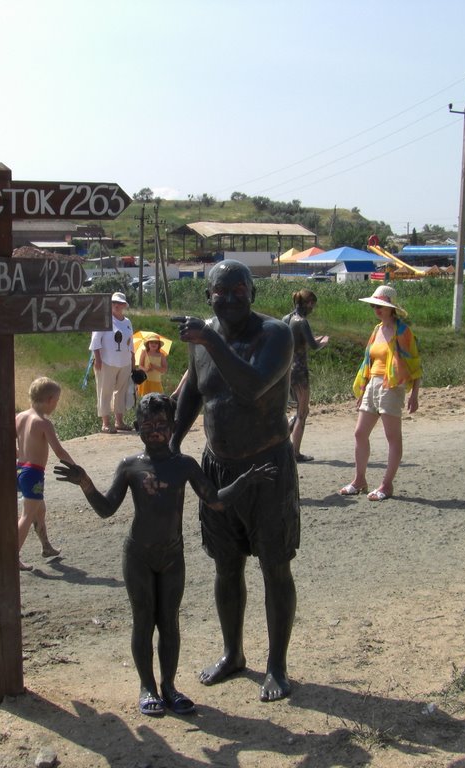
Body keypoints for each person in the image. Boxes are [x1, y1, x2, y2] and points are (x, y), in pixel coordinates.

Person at [54, 393, 276, 717]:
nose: (155, 430)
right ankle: (147, 687)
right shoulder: (130, 467)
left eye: (161, 424)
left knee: (169, 622)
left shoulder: (183, 465)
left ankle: (169, 686)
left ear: (173, 427)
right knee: (144, 621)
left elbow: (214, 500)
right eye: (148, 424)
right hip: (138, 556)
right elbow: (106, 509)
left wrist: (244, 481)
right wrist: (86, 482)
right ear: (136, 428)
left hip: (172, 556)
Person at [169, 259, 299, 702]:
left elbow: (252, 387)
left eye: (237, 290)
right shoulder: (202, 338)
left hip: (266, 468)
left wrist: (208, 338)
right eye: (218, 293)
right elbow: (193, 394)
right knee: (226, 566)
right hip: (217, 468)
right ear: (208, 297)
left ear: (252, 293)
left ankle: (277, 666)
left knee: (274, 565)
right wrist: (169, 447)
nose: (227, 299)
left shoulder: (275, 335)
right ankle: (233, 653)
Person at [338, 285, 422, 502]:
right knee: (359, 433)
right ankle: (359, 480)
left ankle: (386, 484)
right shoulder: (377, 330)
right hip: (373, 384)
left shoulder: (402, 331)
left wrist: (414, 394)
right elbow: (369, 360)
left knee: (392, 437)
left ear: (391, 308)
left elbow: (414, 363)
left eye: (380, 306)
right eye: (374, 305)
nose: (376, 309)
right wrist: (363, 387)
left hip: (392, 386)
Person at [15, 376, 76, 571]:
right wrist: (75, 468)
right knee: (27, 514)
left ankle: (46, 546)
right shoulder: (43, 423)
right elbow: (59, 451)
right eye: (56, 401)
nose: (56, 405)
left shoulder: (20, 417)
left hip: (20, 468)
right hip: (33, 472)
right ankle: (11, 555)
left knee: (39, 510)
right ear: (49, 400)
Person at [281, 289, 329, 462]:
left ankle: (282, 443)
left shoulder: (286, 319)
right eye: (312, 305)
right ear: (308, 303)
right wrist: (322, 342)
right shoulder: (302, 322)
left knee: (300, 410)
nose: (313, 309)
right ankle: (295, 453)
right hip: (300, 370)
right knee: (302, 412)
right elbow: (314, 346)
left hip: (287, 369)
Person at [89, 292, 135, 433]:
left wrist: (133, 362)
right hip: (106, 361)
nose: (116, 305)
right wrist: (98, 359)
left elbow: (131, 343)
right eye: (114, 302)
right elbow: (95, 342)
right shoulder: (103, 319)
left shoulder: (127, 322)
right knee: (105, 391)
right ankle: (105, 423)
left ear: (124, 305)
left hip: (124, 362)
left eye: (120, 303)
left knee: (121, 392)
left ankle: (119, 422)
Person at [136, 332, 168, 398]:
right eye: (151, 342)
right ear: (148, 344)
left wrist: (154, 366)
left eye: (156, 343)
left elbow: (164, 369)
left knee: (156, 399)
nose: (154, 344)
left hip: (156, 381)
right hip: (145, 380)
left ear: (159, 345)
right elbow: (140, 366)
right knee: (145, 399)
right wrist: (146, 369)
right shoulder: (144, 352)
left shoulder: (161, 355)